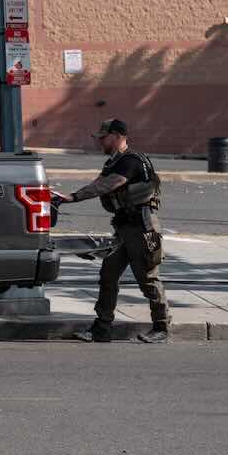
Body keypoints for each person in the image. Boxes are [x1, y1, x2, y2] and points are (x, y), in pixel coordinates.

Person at [52, 119, 170, 344]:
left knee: (147, 278)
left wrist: (73, 198)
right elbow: (97, 183)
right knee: (108, 276)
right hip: (123, 229)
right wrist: (68, 197)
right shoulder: (113, 163)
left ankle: (161, 327)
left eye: (103, 137)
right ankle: (102, 329)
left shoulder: (132, 161)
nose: (100, 142)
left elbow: (107, 185)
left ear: (117, 136)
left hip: (142, 228)